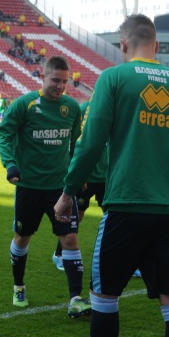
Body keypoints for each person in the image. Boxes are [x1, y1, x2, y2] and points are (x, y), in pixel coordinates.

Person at [53, 14, 169, 337]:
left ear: (123, 44)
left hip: (126, 206)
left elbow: (91, 143)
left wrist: (69, 190)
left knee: (104, 296)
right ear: (156, 45)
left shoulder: (114, 78)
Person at [0, 56, 90, 318]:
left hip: (61, 189)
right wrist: (10, 165)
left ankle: (75, 299)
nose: (60, 86)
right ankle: (19, 286)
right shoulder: (25, 105)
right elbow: (4, 133)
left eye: (64, 81)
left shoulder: (72, 107)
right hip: (29, 187)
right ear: (43, 76)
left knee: (70, 238)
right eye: (55, 80)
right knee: (22, 238)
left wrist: (77, 172)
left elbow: (75, 145)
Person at [52, 98, 108, 271]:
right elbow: (75, 142)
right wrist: (78, 173)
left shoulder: (114, 109)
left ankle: (120, 259)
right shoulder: (83, 109)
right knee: (77, 216)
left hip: (107, 176)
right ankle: (59, 254)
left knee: (115, 219)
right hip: (86, 176)